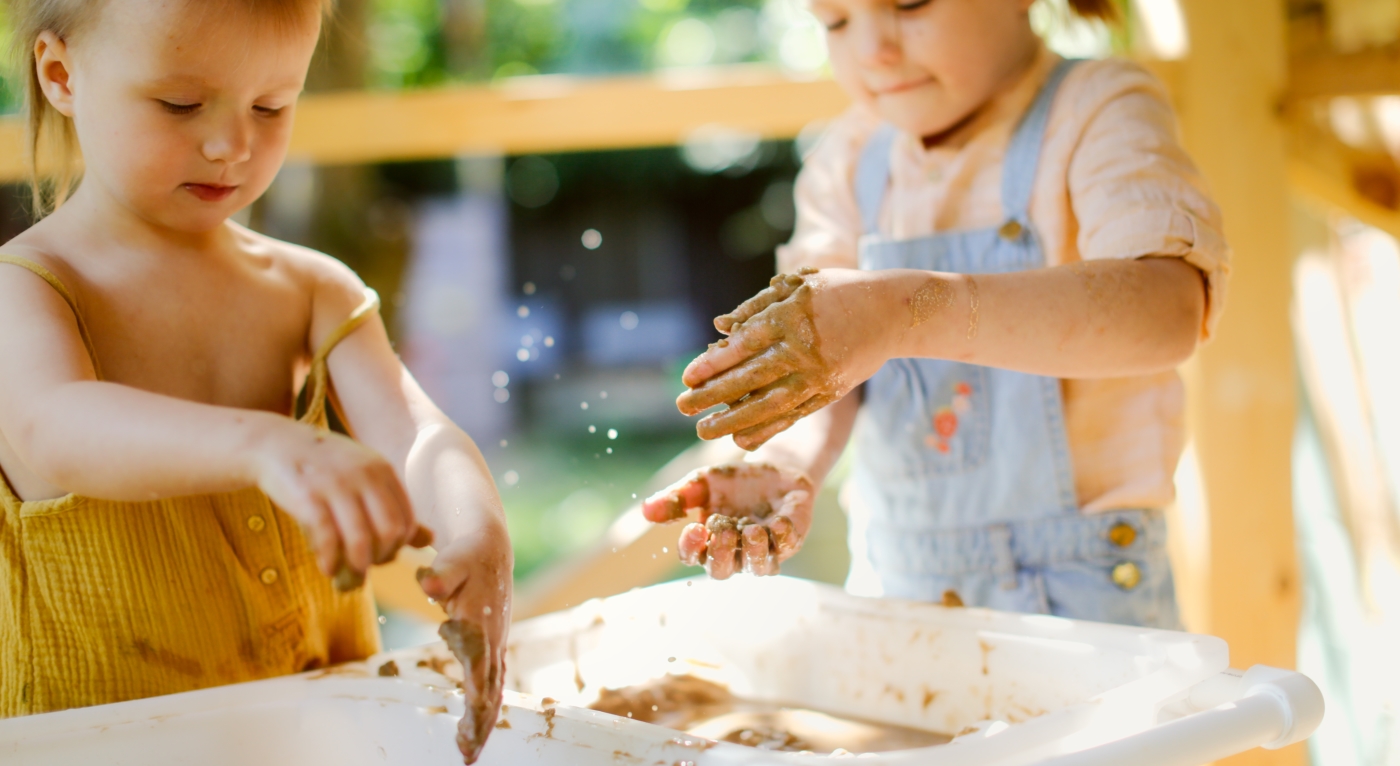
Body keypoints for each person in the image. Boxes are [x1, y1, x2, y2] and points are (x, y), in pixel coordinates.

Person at [0, 0, 510, 750]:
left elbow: (417, 434)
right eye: (181, 104)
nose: (232, 145)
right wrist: (267, 444)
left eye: (270, 106)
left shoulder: (312, 290)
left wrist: (476, 530)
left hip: (316, 743)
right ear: (60, 74)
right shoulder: (28, 289)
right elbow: (53, 426)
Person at [643, 0, 1228, 629]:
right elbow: (827, 369)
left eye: (908, 4)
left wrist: (905, 311)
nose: (873, 50)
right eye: (836, 21)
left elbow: (1168, 309)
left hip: (1083, 603)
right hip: (897, 585)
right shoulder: (846, 162)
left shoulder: (1095, 108)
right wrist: (786, 460)